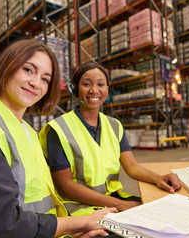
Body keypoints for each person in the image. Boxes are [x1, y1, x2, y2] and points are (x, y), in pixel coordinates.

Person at [0, 39, 117, 238]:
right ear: (6, 67)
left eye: (45, 79)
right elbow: (8, 224)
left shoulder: (26, 130)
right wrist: (81, 222)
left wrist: (73, 233)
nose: (36, 83)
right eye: (28, 70)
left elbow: (36, 207)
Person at [39, 62, 181, 216]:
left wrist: (158, 178)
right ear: (76, 90)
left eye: (101, 84)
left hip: (109, 200)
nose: (94, 90)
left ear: (107, 89)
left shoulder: (114, 125)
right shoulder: (58, 129)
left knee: (163, 213)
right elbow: (65, 187)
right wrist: (121, 205)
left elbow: (132, 166)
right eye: (86, 84)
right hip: (78, 208)